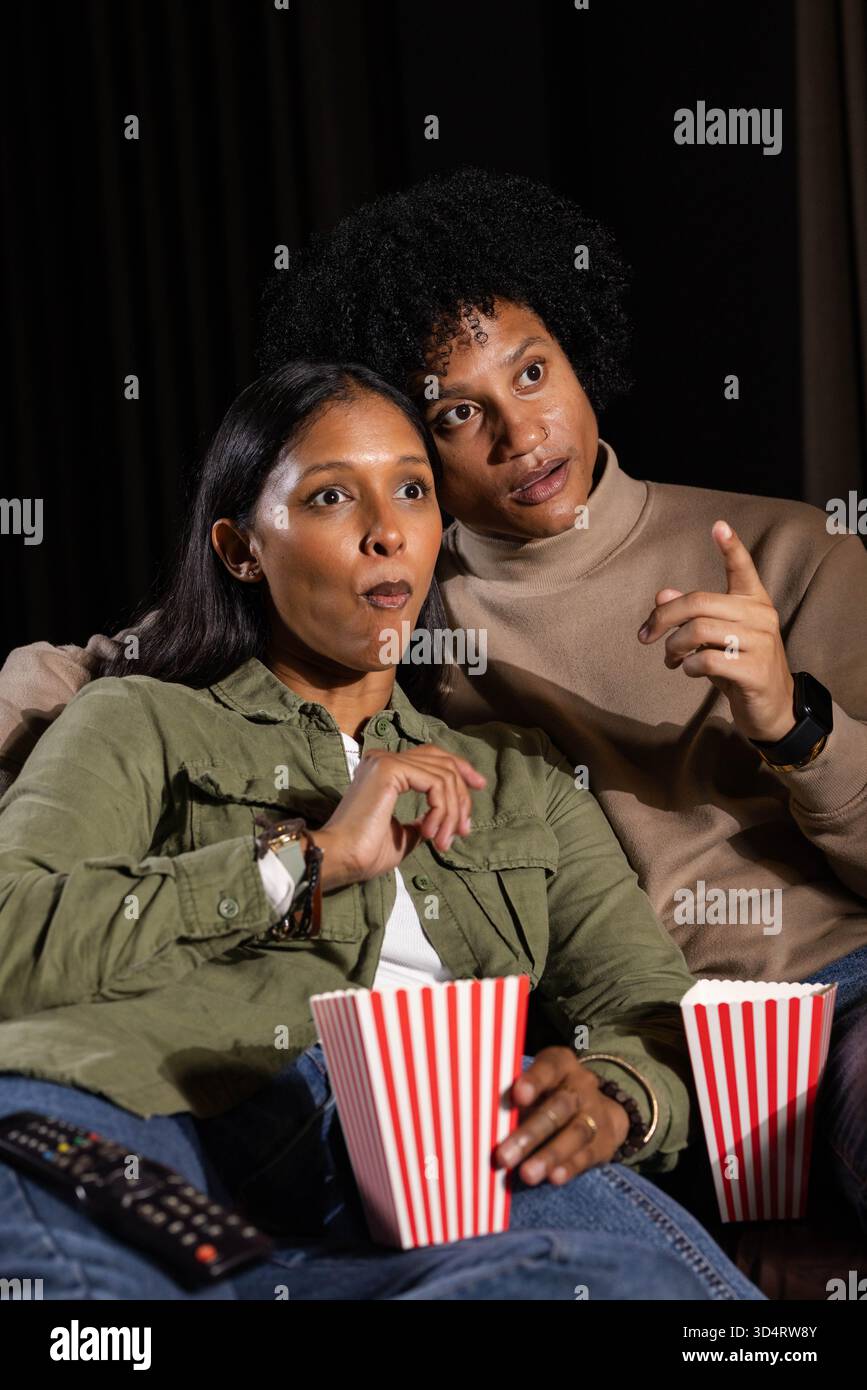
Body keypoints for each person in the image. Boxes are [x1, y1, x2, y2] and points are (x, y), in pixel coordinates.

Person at [0, 360, 762, 1300]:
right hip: (145, 1103)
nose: (384, 530)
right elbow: (12, 938)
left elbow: (650, 1012)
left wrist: (612, 1097)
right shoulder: (140, 721)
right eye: (329, 496)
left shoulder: (524, 781)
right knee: (77, 1294)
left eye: (410, 489)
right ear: (242, 550)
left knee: (643, 1292)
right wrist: (306, 862)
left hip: (455, 1139)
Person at [249, 168, 866, 1239]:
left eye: (533, 371)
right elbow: (155, 658)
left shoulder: (788, 549)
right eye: (458, 413)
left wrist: (791, 720)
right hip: (610, 1062)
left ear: (580, 353)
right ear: (409, 446)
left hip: (842, 999)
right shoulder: (401, 619)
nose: (520, 433)